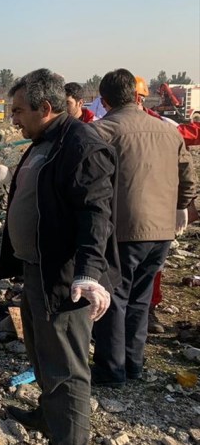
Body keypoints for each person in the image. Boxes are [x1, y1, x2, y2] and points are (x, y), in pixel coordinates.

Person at [0, 69, 119, 443]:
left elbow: (96, 213)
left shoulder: (81, 145)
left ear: (45, 107)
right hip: (36, 270)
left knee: (66, 367)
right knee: (42, 356)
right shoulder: (44, 140)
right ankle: (48, 419)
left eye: (18, 111)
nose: (13, 118)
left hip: (64, 278)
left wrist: (88, 272)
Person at [90, 69, 196, 387]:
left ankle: (111, 371)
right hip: (161, 230)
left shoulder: (101, 131)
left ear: (104, 100)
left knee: (113, 298)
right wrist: (178, 208)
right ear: (138, 97)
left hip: (123, 229)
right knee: (139, 299)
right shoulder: (168, 131)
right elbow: (188, 180)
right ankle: (133, 366)